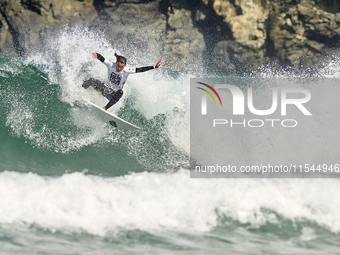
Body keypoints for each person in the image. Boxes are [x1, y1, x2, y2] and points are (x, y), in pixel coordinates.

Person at [82, 52, 162, 110]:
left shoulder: (127, 71)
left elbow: (140, 69)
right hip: (105, 89)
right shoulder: (111, 65)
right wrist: (96, 55)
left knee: (121, 92)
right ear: (116, 63)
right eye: (118, 66)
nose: (119, 68)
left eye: (121, 67)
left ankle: (105, 108)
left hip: (113, 95)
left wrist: (154, 67)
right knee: (91, 80)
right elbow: (101, 58)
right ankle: (78, 91)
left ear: (124, 66)